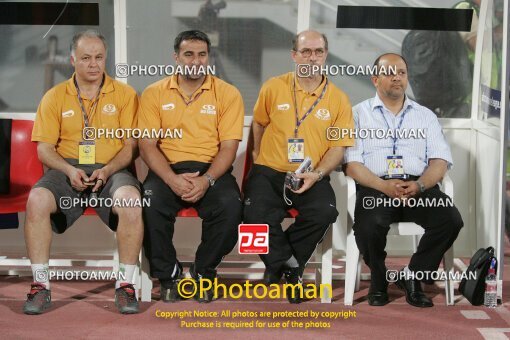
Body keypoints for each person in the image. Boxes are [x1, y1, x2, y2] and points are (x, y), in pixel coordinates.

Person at [24, 30, 143, 314]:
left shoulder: (126, 95)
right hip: (67, 168)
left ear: (106, 59)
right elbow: (44, 149)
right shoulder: (54, 97)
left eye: (99, 57)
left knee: (131, 201)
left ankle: (125, 287)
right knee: (36, 200)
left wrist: (109, 168)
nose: (93, 64)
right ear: (72, 60)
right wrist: (68, 168)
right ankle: (40, 286)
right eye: (86, 58)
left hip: (112, 169)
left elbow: (131, 147)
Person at [344, 53, 464, 307]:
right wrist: (383, 186)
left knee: (450, 219)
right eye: (389, 72)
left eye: (401, 72)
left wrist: (420, 185)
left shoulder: (425, 116)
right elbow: (352, 165)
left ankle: (413, 276)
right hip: (377, 185)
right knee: (368, 225)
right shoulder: (356, 115)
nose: (397, 77)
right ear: (375, 79)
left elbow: (439, 161)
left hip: (416, 186)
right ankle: (378, 277)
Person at [243, 30, 354, 303]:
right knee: (252, 217)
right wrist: (258, 157)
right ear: (294, 55)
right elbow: (258, 123)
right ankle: (291, 267)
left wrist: (316, 174)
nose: (312, 57)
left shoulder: (338, 98)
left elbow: (338, 148)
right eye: (306, 51)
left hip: (310, 174)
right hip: (269, 171)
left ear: (326, 55)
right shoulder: (273, 86)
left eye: (318, 51)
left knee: (325, 212)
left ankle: (276, 265)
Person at [139, 30, 243, 303]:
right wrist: (172, 179)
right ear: (176, 57)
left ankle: (203, 272)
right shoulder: (153, 93)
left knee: (232, 206)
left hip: (211, 170)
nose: (195, 61)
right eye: (188, 54)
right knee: (148, 203)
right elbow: (147, 146)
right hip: (166, 169)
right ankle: (168, 275)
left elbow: (228, 148)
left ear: (208, 57)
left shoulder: (228, 93)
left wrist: (207, 179)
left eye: (201, 55)